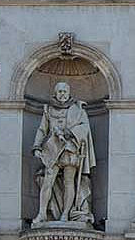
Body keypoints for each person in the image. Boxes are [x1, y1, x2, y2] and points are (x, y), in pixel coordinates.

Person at [33, 81, 98, 224]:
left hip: (70, 149)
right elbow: (42, 129)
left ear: (69, 93)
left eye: (65, 91)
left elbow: (85, 127)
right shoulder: (48, 110)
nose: (62, 94)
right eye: (60, 91)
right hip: (52, 149)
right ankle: (42, 213)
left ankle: (65, 214)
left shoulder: (78, 109)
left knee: (69, 182)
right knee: (47, 181)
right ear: (55, 93)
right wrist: (37, 146)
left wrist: (70, 132)